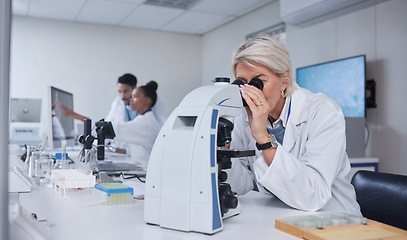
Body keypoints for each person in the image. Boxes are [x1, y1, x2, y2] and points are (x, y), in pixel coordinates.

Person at [225, 35, 361, 215]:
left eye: (259, 82)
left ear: (284, 80)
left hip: (332, 220)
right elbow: (239, 184)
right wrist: (223, 148)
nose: (251, 92)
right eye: (242, 83)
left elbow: (314, 194)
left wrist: (262, 137)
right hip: (281, 217)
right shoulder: (243, 116)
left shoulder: (321, 111)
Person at [111, 81, 161, 168]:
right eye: (131, 97)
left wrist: (81, 118)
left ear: (147, 100)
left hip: (145, 170)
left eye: (135, 97)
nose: (131, 100)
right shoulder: (142, 118)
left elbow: (117, 129)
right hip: (140, 166)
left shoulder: (145, 123)